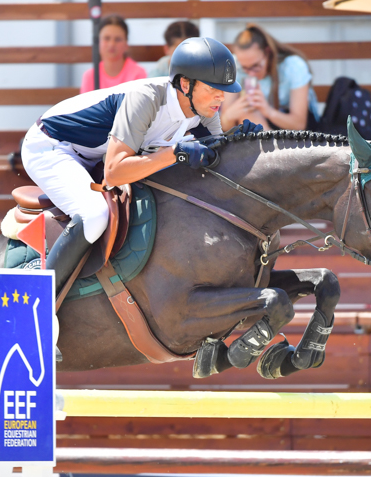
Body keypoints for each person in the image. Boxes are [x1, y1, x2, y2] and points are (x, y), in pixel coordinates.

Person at [22, 37, 261, 294]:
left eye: (223, 89)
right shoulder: (145, 99)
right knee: (94, 215)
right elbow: (115, 172)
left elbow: (212, 157)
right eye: (213, 88)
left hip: (94, 156)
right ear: (185, 84)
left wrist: (238, 141)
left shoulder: (204, 110)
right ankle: (39, 297)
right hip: (51, 146)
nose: (221, 96)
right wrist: (175, 153)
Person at [221, 24, 320, 131]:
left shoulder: (293, 66)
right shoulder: (234, 65)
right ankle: (270, 144)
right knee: (247, 114)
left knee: (249, 118)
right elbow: (225, 128)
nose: (251, 74)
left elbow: (299, 125)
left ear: (268, 52)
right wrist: (229, 116)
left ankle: (269, 144)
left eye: (256, 66)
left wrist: (267, 111)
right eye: (244, 68)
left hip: (296, 128)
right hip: (262, 125)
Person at [80, 15, 147, 94]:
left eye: (118, 39)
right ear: (98, 42)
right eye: (107, 38)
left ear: (126, 44)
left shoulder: (138, 74)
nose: (111, 44)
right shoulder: (90, 76)